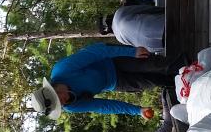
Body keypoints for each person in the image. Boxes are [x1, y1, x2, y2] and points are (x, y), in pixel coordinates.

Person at [29, 43, 184, 119]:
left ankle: (190, 64)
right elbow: (104, 106)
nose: (62, 103)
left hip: (114, 60)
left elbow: (96, 51)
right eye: (59, 106)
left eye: (58, 99)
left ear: (53, 89)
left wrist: (131, 51)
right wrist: (137, 110)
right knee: (154, 81)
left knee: (155, 64)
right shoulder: (72, 106)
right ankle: (189, 82)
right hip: (115, 82)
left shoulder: (62, 70)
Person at [100, 5, 165, 54]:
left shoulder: (119, 39)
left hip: (156, 46)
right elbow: (148, 9)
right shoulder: (119, 13)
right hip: (158, 26)